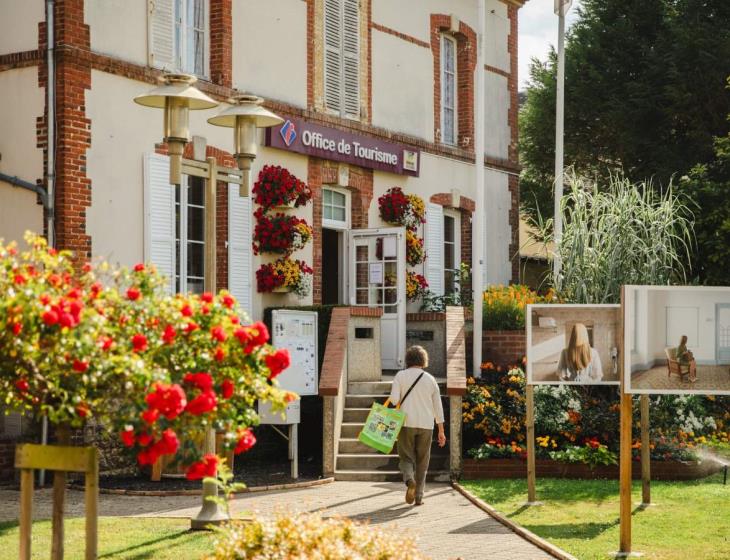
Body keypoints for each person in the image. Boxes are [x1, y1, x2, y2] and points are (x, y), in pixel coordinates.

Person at [388, 345, 446, 506]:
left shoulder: (401, 375)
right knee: (422, 461)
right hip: (427, 425)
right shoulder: (430, 379)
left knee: (406, 457)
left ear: (408, 359)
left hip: (406, 423)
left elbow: (393, 400)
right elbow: (438, 407)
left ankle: (409, 480)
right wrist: (441, 430)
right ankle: (419, 496)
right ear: (423, 360)